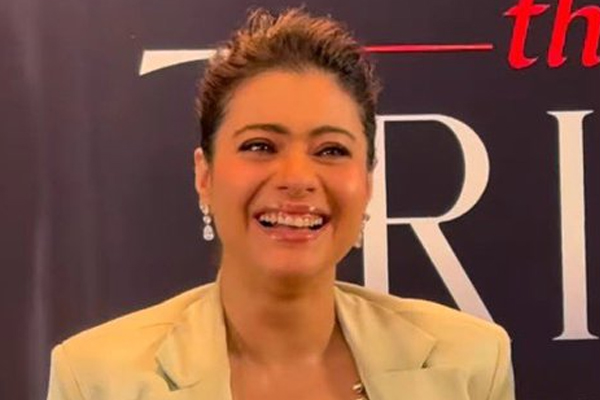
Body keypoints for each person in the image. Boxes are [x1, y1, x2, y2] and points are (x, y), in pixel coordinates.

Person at [46, 8, 515, 400]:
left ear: (368, 181)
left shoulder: (469, 364)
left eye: (331, 150)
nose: (297, 179)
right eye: (260, 146)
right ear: (205, 175)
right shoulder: (97, 378)